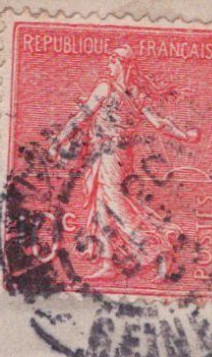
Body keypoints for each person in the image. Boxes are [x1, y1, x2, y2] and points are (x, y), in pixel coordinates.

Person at [47, 44, 200, 280]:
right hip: (109, 155)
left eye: (113, 61)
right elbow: (160, 123)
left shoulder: (106, 89)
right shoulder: (135, 94)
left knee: (115, 205)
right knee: (101, 206)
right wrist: (184, 135)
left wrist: (59, 139)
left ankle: (157, 248)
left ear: (121, 64)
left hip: (110, 155)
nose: (110, 64)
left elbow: (81, 117)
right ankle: (108, 262)